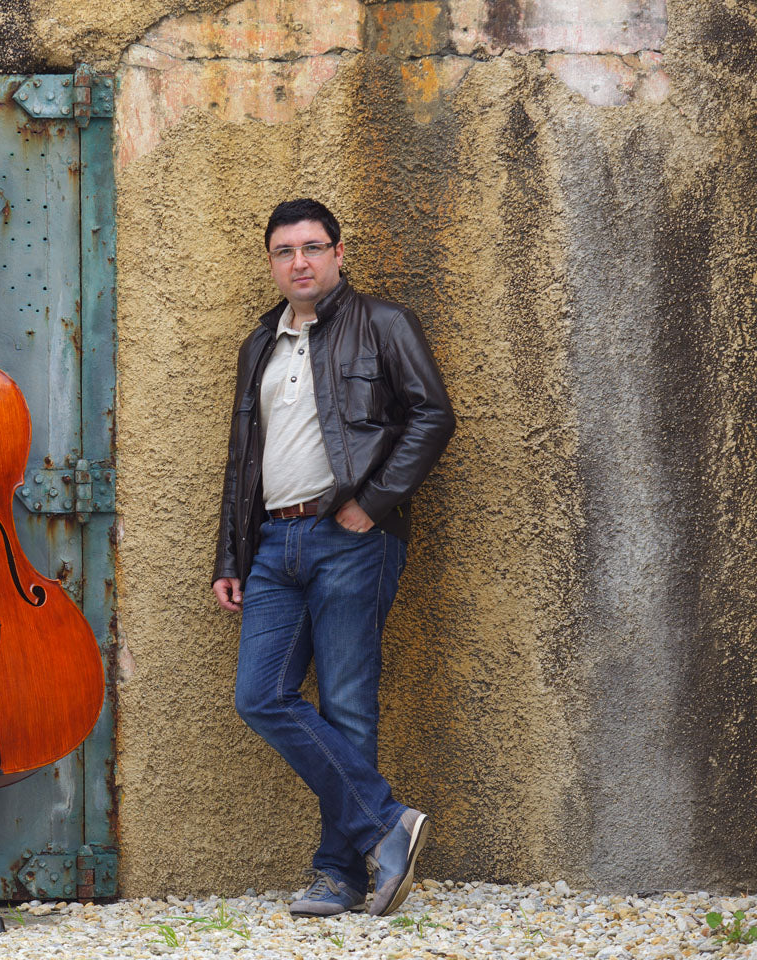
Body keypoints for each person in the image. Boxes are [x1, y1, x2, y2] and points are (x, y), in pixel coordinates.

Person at [212, 198, 455, 917]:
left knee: (347, 705)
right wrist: (231, 554)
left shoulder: (382, 323)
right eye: (285, 251)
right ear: (271, 262)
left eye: (313, 247)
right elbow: (241, 462)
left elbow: (432, 414)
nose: (300, 262)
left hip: (349, 537)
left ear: (339, 253)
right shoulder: (259, 343)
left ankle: (340, 876)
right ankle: (387, 826)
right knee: (260, 695)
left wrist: (371, 504)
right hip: (273, 546)